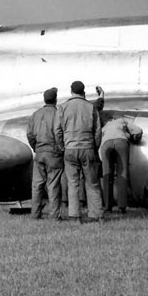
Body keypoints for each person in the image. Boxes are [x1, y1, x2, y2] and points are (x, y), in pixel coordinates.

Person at [54, 80, 105, 222]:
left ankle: (75, 216)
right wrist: (94, 147)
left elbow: (57, 130)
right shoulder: (91, 107)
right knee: (92, 183)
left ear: (71, 92)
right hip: (87, 148)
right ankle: (97, 215)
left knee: (73, 183)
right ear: (84, 92)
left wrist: (62, 147)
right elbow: (98, 130)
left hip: (70, 149)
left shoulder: (63, 107)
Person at [26, 87, 64, 220]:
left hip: (39, 152)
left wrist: (35, 147)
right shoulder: (58, 113)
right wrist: (61, 148)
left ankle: (35, 214)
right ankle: (54, 216)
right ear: (55, 99)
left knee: (37, 185)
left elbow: (29, 134)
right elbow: (60, 133)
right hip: (53, 152)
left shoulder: (35, 114)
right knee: (53, 184)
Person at [99, 110, 142, 213]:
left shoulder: (104, 127)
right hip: (121, 142)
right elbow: (138, 131)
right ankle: (121, 207)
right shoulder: (122, 121)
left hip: (106, 145)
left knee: (107, 175)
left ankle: (107, 207)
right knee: (122, 174)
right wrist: (133, 139)